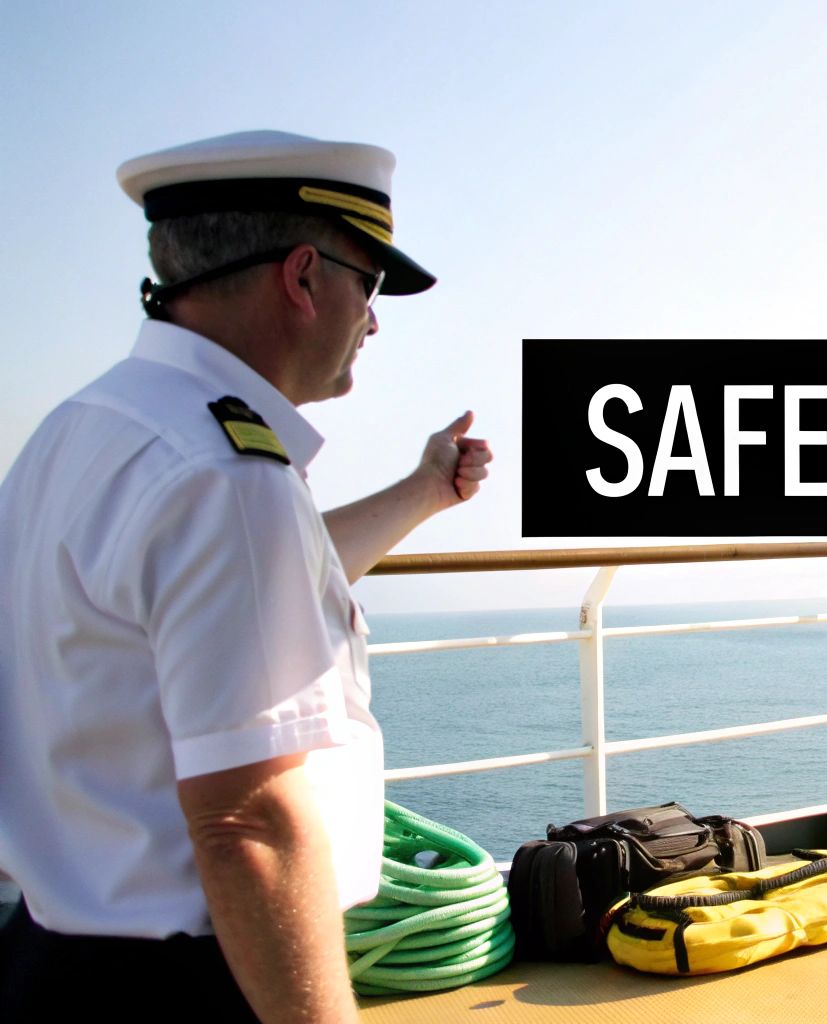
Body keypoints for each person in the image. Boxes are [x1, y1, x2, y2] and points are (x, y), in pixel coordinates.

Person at [0, 131, 492, 1022]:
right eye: (369, 284)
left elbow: (249, 596)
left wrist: (424, 491)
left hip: (50, 956)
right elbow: (248, 825)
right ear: (302, 278)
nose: (373, 320)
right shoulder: (225, 476)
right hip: (187, 982)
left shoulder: (85, 429)